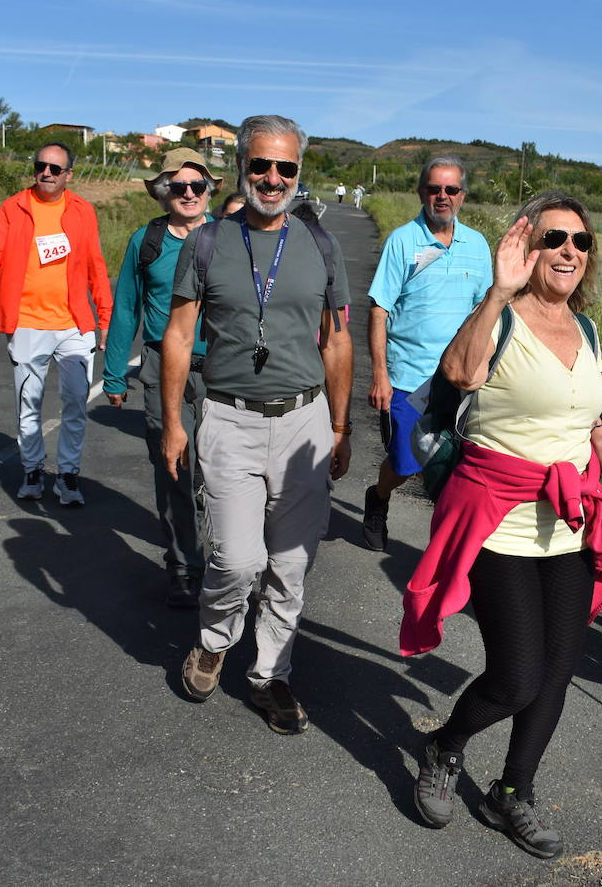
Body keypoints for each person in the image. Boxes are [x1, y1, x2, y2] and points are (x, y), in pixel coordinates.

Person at [400, 191, 602, 858]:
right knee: (517, 675)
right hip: (498, 519)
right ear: (526, 248)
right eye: (553, 239)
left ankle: (512, 792)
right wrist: (496, 293)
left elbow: (598, 424)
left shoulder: (587, 331)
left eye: (581, 241)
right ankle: (445, 747)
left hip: (570, 522)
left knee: (558, 669)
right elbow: (458, 374)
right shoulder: (504, 319)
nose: (569, 251)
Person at [161, 114, 352, 736]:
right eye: (262, 165)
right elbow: (180, 334)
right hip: (228, 418)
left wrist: (341, 428)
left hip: (304, 423)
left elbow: (338, 343)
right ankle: (215, 640)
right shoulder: (207, 241)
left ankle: (269, 675)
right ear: (242, 167)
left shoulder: (321, 245)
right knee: (238, 561)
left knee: (290, 565)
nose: (273, 178)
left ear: (300, 173)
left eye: (286, 167)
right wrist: (172, 421)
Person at [103, 149, 220, 608]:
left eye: (196, 185)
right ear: (163, 191)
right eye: (177, 186)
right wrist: (114, 374)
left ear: (209, 189)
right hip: (159, 367)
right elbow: (127, 306)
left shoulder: (227, 237)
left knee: (216, 473)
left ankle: (224, 557)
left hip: (220, 369)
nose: (188, 193)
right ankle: (184, 565)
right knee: (173, 468)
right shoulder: (145, 241)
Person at [362, 155, 492, 550]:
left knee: (456, 469)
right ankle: (379, 496)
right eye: (434, 188)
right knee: (407, 461)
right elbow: (379, 310)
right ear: (422, 192)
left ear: (462, 196)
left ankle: (446, 550)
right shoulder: (403, 241)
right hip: (408, 376)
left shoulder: (478, 245)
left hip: (461, 380)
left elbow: (486, 311)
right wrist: (380, 375)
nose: (442, 196)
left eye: (451, 190)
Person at [0, 142, 112, 506]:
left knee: (76, 402)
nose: (46, 173)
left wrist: (105, 318)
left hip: (74, 324)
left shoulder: (83, 210)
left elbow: (97, 266)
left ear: (68, 174)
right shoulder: (13, 208)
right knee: (29, 404)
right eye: (41, 166)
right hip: (27, 323)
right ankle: (32, 468)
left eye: (55, 168)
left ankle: (68, 475)